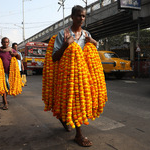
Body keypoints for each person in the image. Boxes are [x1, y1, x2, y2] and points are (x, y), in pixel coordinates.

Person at [52, 5, 97, 147]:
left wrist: (93, 42)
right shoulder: (63, 34)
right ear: (72, 17)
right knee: (69, 101)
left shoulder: (86, 35)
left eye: (83, 16)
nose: (81, 18)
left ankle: (70, 124)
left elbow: (94, 49)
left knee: (78, 102)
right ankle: (78, 135)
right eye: (79, 15)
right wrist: (65, 45)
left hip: (82, 76)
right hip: (67, 75)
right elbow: (54, 57)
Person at [0, 37, 21, 110]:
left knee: (8, 87)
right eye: (4, 42)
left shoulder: (11, 50)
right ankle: (5, 103)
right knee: (3, 87)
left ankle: (4, 99)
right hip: (1, 73)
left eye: (7, 42)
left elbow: (19, 58)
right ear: (1, 43)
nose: (5, 43)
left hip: (11, 73)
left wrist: (15, 54)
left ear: (8, 43)